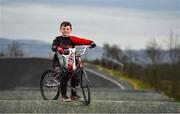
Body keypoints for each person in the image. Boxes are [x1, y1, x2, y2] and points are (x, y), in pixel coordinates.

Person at [52, 21, 96, 102]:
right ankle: (63, 95)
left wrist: (90, 42)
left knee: (76, 73)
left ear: (70, 30)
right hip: (58, 62)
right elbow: (54, 47)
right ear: (60, 29)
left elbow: (81, 40)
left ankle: (74, 95)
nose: (65, 30)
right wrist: (57, 48)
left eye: (67, 29)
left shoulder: (72, 39)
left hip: (70, 61)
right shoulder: (57, 39)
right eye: (63, 29)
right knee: (64, 74)